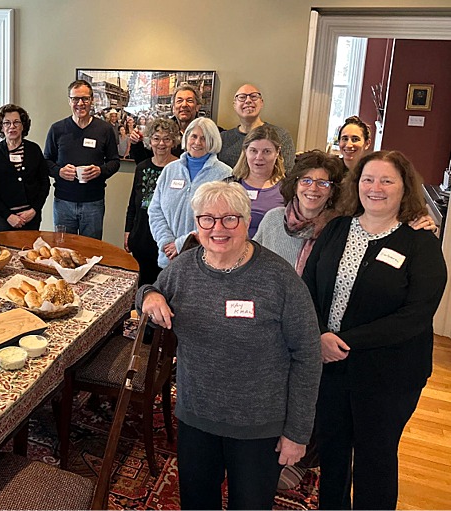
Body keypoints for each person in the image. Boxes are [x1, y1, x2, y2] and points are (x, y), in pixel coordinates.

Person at [139, 181, 322, 509]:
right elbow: (151, 294)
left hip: (257, 426)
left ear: (247, 221)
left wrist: (297, 432)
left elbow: (308, 356)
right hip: (197, 416)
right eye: (207, 219)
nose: (218, 228)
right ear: (197, 224)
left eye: (230, 219)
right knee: (197, 503)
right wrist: (149, 296)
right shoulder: (184, 268)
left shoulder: (279, 279)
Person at [302, 150, 447, 510]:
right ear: (357, 184)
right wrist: (319, 334)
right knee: (333, 452)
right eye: (368, 179)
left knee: (375, 458)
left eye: (386, 180)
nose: (375, 188)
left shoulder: (420, 243)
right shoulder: (337, 228)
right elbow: (307, 287)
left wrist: (342, 341)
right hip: (331, 367)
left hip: (389, 374)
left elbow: (415, 316)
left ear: (404, 187)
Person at [148, 117, 232, 268]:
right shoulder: (170, 169)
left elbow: (221, 219)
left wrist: (181, 244)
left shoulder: (224, 174)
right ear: (186, 137)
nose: (197, 142)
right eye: (194, 136)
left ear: (213, 141)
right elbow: (155, 210)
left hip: (205, 260)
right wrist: (166, 242)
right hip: (169, 256)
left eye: (204, 138)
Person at [44, 80, 120, 240]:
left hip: (93, 203)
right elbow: (46, 162)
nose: (80, 103)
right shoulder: (57, 129)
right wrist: (59, 172)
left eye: (85, 98)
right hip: (63, 202)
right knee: (63, 248)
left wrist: (100, 171)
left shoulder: (104, 129)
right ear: (69, 101)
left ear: (92, 100)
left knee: (91, 248)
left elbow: (114, 162)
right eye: (75, 99)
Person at [124, 118, 181, 285]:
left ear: (173, 142)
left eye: (166, 139)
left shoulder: (180, 168)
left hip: (168, 238)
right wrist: (128, 231)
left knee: (166, 285)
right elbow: (133, 203)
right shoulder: (142, 167)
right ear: (149, 141)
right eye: (156, 138)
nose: (161, 143)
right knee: (142, 284)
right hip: (141, 236)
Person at [0, 104, 50, 231]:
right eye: (7, 123)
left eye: (16, 122)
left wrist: (34, 209)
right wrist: (8, 216)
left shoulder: (34, 150)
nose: (12, 126)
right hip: (3, 219)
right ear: (1, 126)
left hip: (31, 217)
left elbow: (44, 183)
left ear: (23, 126)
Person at [218, 84, 296, 173]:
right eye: (242, 97)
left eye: (254, 96)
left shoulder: (281, 135)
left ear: (261, 103)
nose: (248, 100)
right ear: (234, 105)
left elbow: (288, 173)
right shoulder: (223, 138)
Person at [230, 125, 286, 238]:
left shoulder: (288, 188)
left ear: (277, 152)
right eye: (253, 151)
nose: (259, 157)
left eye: (266, 151)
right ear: (245, 151)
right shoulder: (229, 185)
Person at [129, 84, 200, 161]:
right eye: (179, 101)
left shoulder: (206, 131)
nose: (184, 105)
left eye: (189, 101)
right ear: (173, 108)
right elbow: (146, 161)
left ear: (197, 107)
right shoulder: (163, 128)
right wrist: (136, 143)